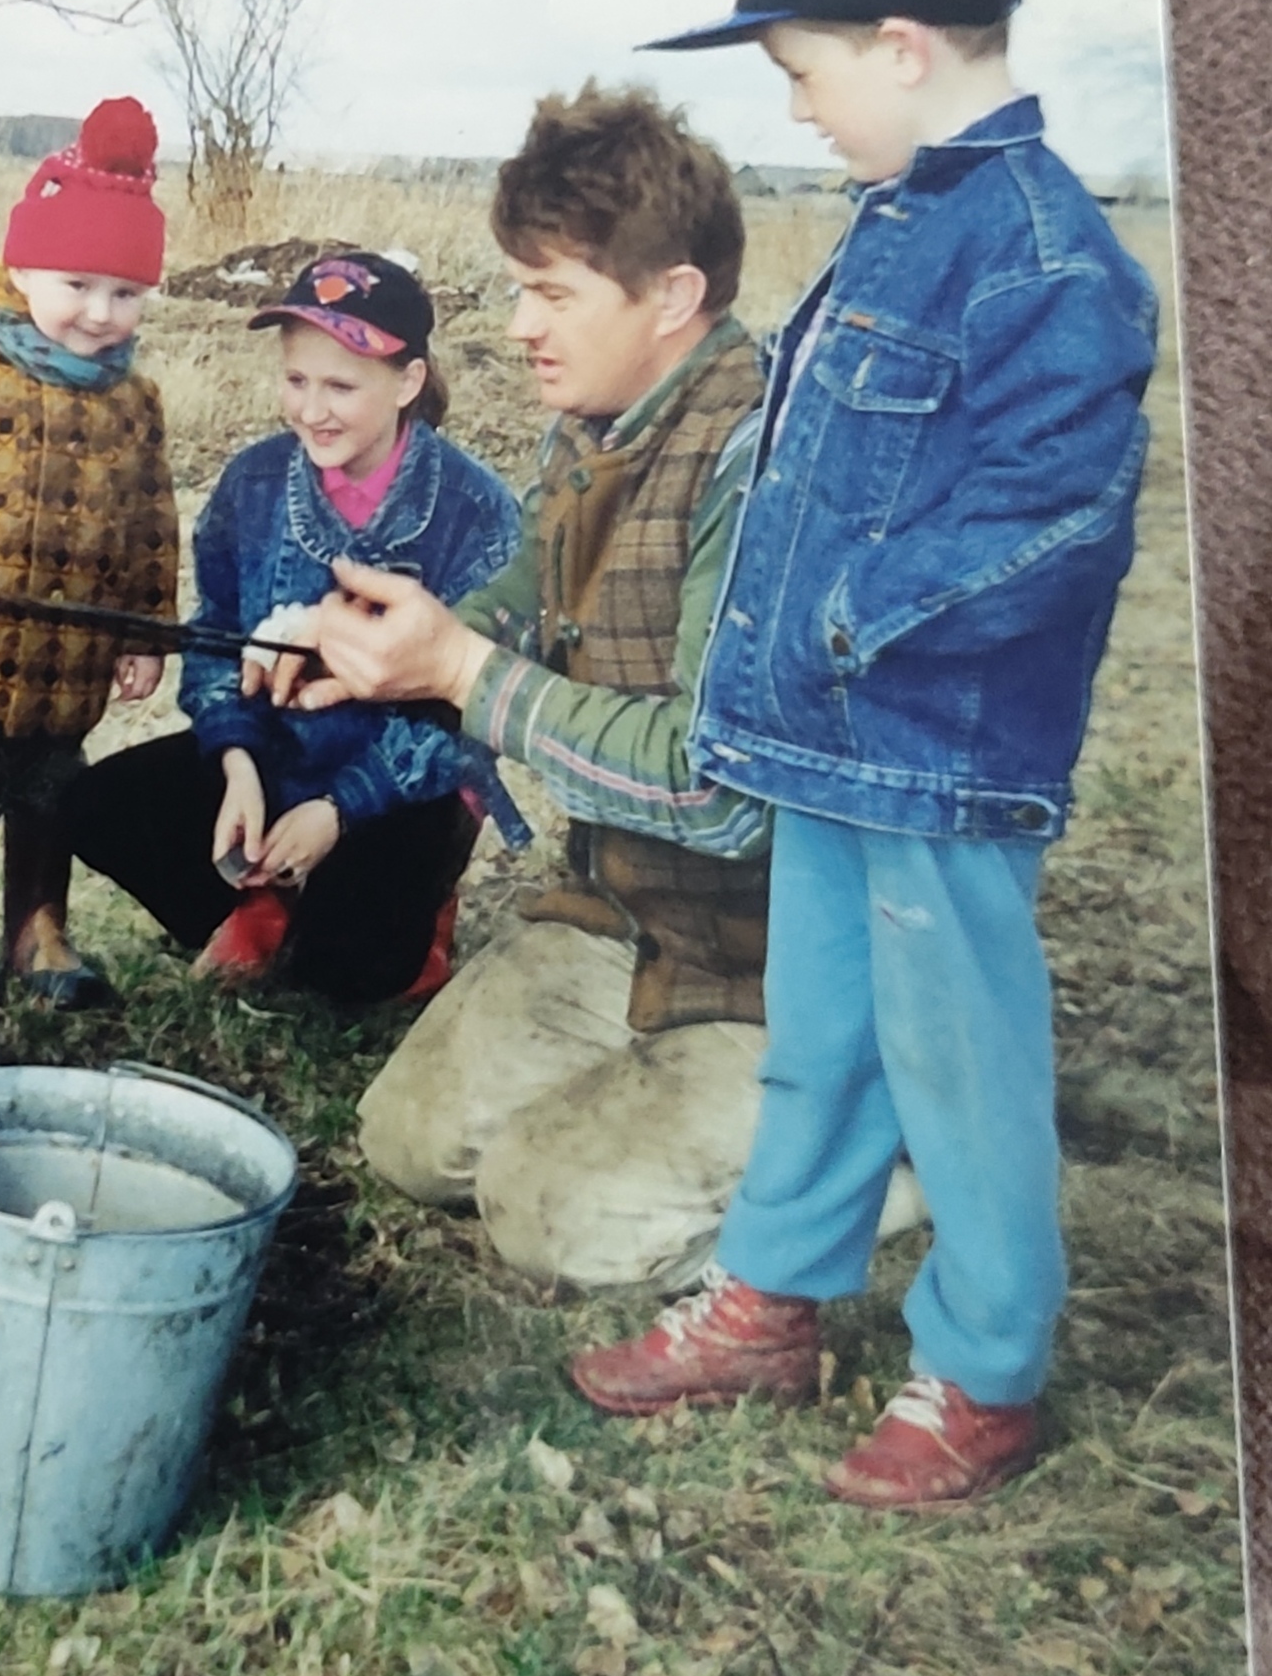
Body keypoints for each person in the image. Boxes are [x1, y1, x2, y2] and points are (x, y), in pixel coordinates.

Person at [559, 0, 1158, 1507]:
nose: (801, 111)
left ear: (901, 44)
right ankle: (774, 1298)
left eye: (802, 73)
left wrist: (833, 629)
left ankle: (981, 1368)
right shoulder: (899, 225)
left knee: (958, 1067)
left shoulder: (1045, 261)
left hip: (937, 760)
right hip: (830, 752)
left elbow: (1039, 530)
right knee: (818, 1038)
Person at [276, 92, 929, 1291]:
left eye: (553, 293)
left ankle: (886, 1145)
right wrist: (371, 646)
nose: (520, 324)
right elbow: (519, 600)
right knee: (411, 1139)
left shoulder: (767, 463)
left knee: (546, 1213)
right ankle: (687, 1116)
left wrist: (465, 675)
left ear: (671, 297)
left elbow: (719, 786)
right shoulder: (591, 425)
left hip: (783, 962)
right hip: (630, 917)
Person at [64, 252, 525, 1003]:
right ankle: (263, 898)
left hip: (408, 785)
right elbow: (213, 637)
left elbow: (474, 717)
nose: (312, 410)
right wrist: (236, 761)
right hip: (277, 758)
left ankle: (416, 909)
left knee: (347, 976)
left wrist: (340, 808)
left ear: (408, 383)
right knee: (95, 807)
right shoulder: (251, 480)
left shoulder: (479, 510)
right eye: (297, 380)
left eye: (341, 386)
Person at [0, 98, 178, 1052]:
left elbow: (152, 525)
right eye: (78, 282)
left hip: (69, 657)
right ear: (21, 267)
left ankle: (37, 931)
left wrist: (143, 631)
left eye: (125, 293)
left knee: (51, 790)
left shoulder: (135, 402)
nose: (100, 311)